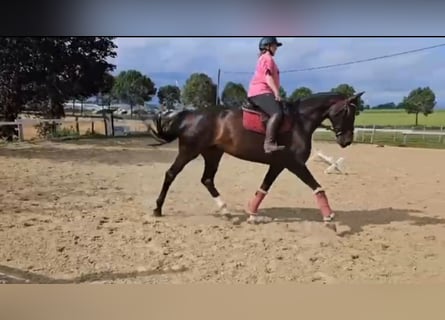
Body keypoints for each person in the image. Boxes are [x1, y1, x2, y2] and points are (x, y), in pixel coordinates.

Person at [247, 37, 285, 154]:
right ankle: (269, 144)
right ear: (267, 47)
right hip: (261, 91)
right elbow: (268, 77)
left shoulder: (264, 58)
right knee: (277, 113)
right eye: (274, 46)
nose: (276, 49)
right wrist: (277, 92)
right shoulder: (267, 58)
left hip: (262, 91)